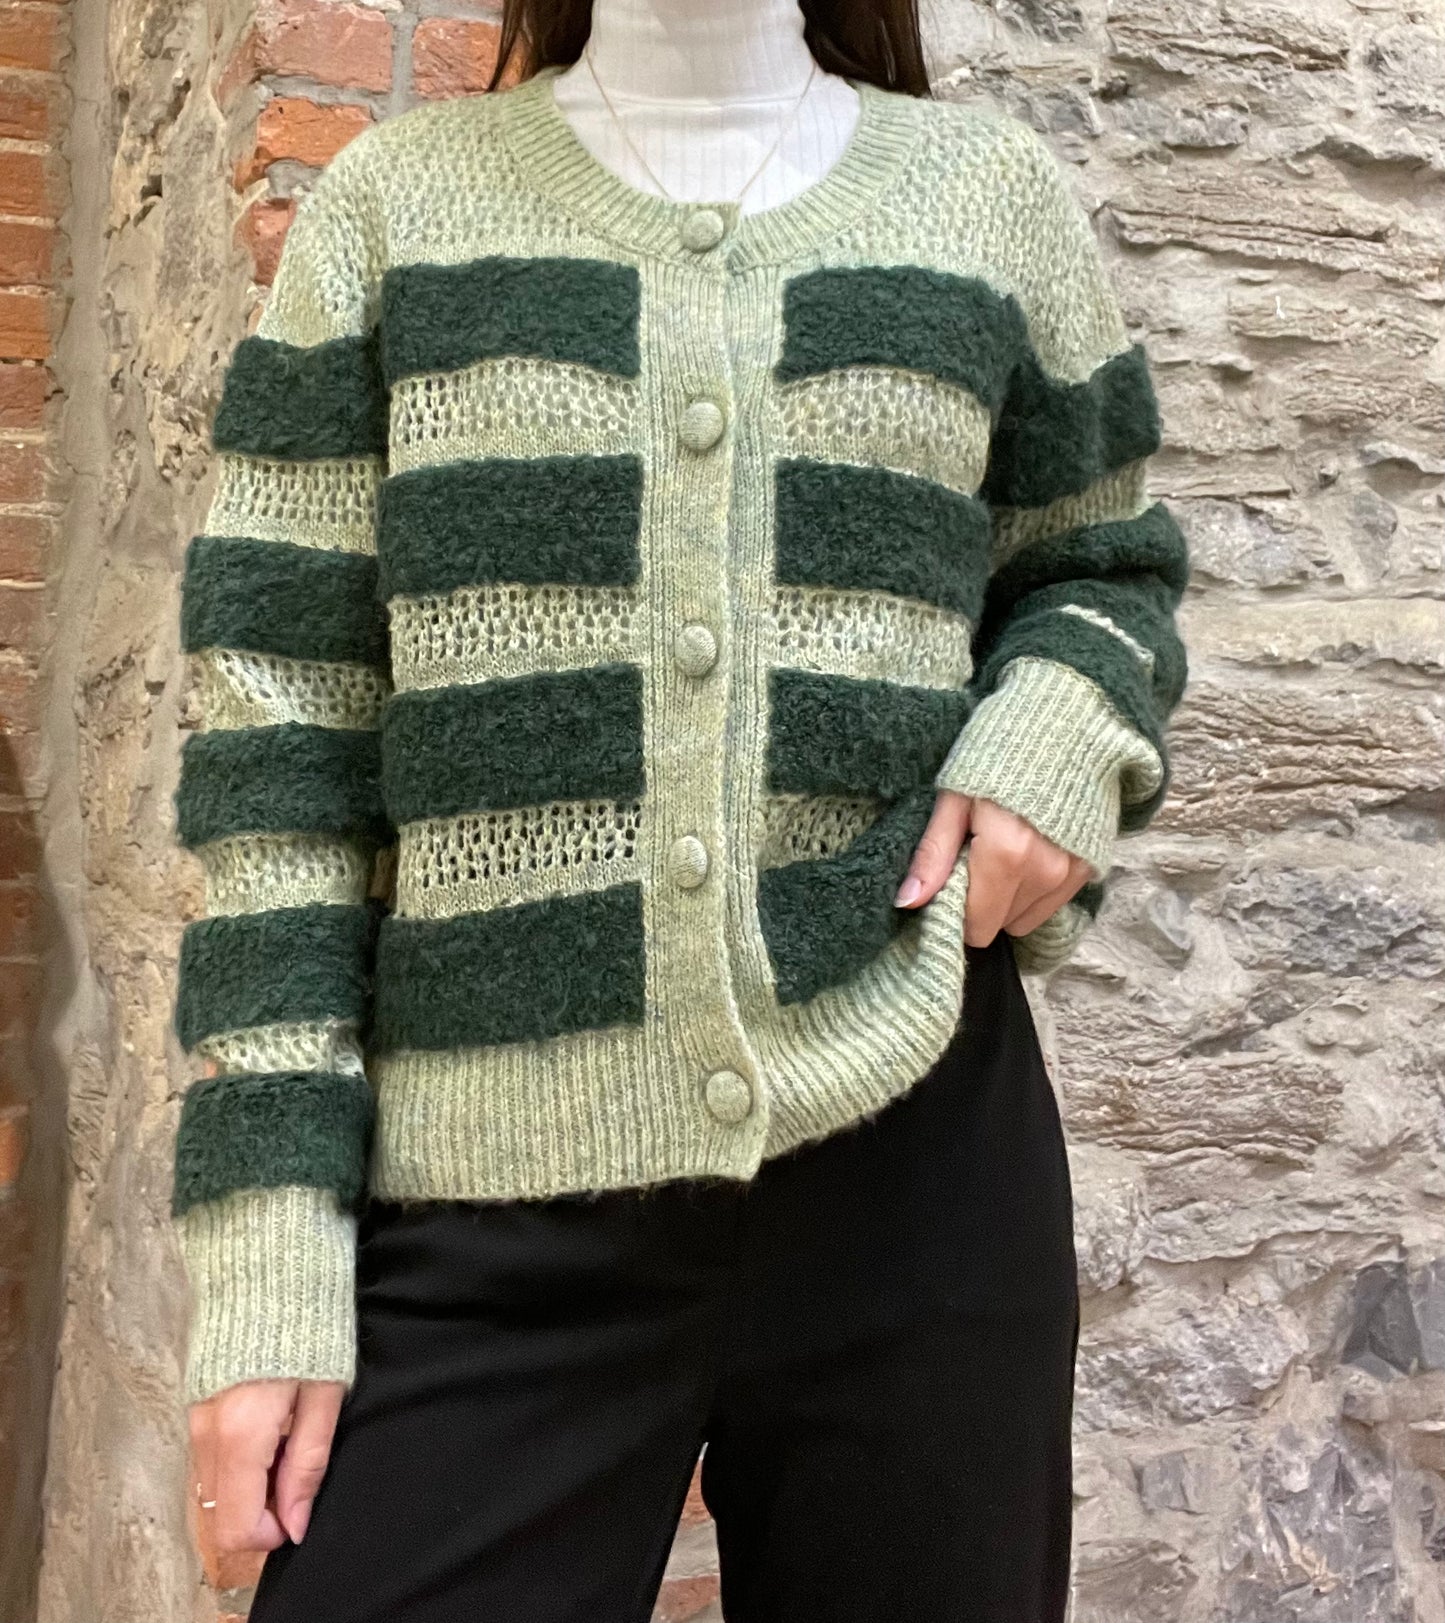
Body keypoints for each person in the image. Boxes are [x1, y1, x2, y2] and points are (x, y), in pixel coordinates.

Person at [172, 0, 1190, 1618]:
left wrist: (1052, 738)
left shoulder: (986, 195)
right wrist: (271, 1256)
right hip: (485, 1193)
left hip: (916, 1162)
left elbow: (1103, 563)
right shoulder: (396, 209)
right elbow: (283, 748)